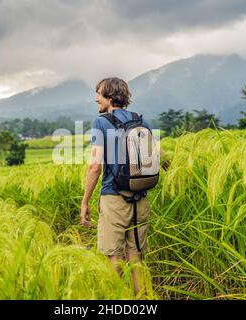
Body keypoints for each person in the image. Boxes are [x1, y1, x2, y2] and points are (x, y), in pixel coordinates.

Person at [80, 77, 158, 297]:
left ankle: (116, 302)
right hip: (140, 199)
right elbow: (157, 156)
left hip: (114, 199)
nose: (96, 98)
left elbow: (95, 166)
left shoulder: (101, 123)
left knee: (114, 256)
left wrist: (85, 201)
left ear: (110, 96)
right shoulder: (141, 121)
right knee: (135, 256)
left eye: (99, 93)